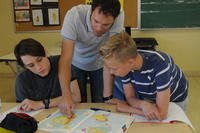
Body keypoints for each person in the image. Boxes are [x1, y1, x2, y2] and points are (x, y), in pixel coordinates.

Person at [99, 32, 188, 120]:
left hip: (175, 100)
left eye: (114, 68)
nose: (111, 72)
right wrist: (143, 104)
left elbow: (161, 115)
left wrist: (126, 108)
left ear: (130, 62)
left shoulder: (161, 66)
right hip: (153, 97)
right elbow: (130, 98)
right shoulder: (126, 64)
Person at [59, 0, 124, 116]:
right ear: (91, 11)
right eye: (96, 21)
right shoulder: (74, 15)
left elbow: (110, 55)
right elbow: (65, 59)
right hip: (76, 62)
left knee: (101, 103)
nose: (99, 28)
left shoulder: (119, 15)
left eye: (106, 25)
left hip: (101, 63)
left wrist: (107, 97)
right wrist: (66, 95)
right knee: (78, 104)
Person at [14, 38, 81, 112]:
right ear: (25, 67)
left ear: (45, 52)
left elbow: (76, 97)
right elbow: (22, 108)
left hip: (63, 113)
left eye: (39, 60)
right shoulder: (22, 79)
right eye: (31, 65)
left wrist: (41, 104)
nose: (38, 67)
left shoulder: (62, 64)